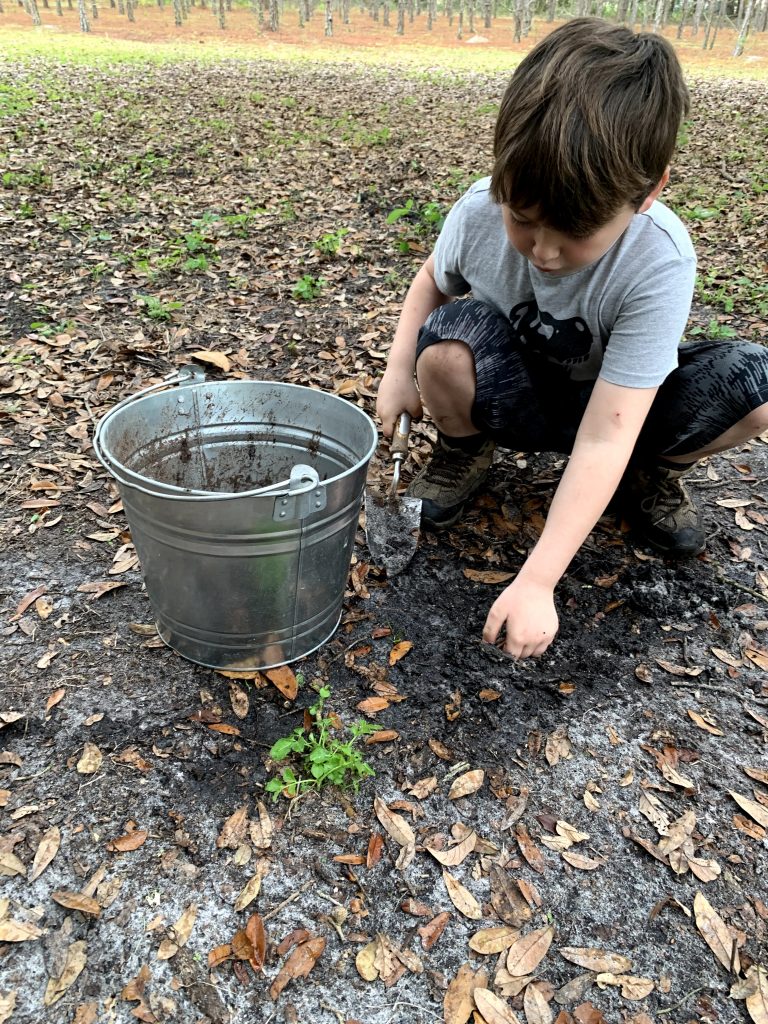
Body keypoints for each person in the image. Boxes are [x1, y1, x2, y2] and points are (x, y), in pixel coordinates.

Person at [375, 17, 768, 661]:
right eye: (524, 221)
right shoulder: (478, 211)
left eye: (576, 230)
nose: (547, 252)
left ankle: (651, 474)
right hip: (517, 394)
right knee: (445, 341)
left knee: (758, 388)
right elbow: (431, 281)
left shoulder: (658, 261)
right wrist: (397, 373)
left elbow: (609, 431)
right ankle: (464, 451)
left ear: (648, 192)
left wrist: (537, 581)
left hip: (616, 412)